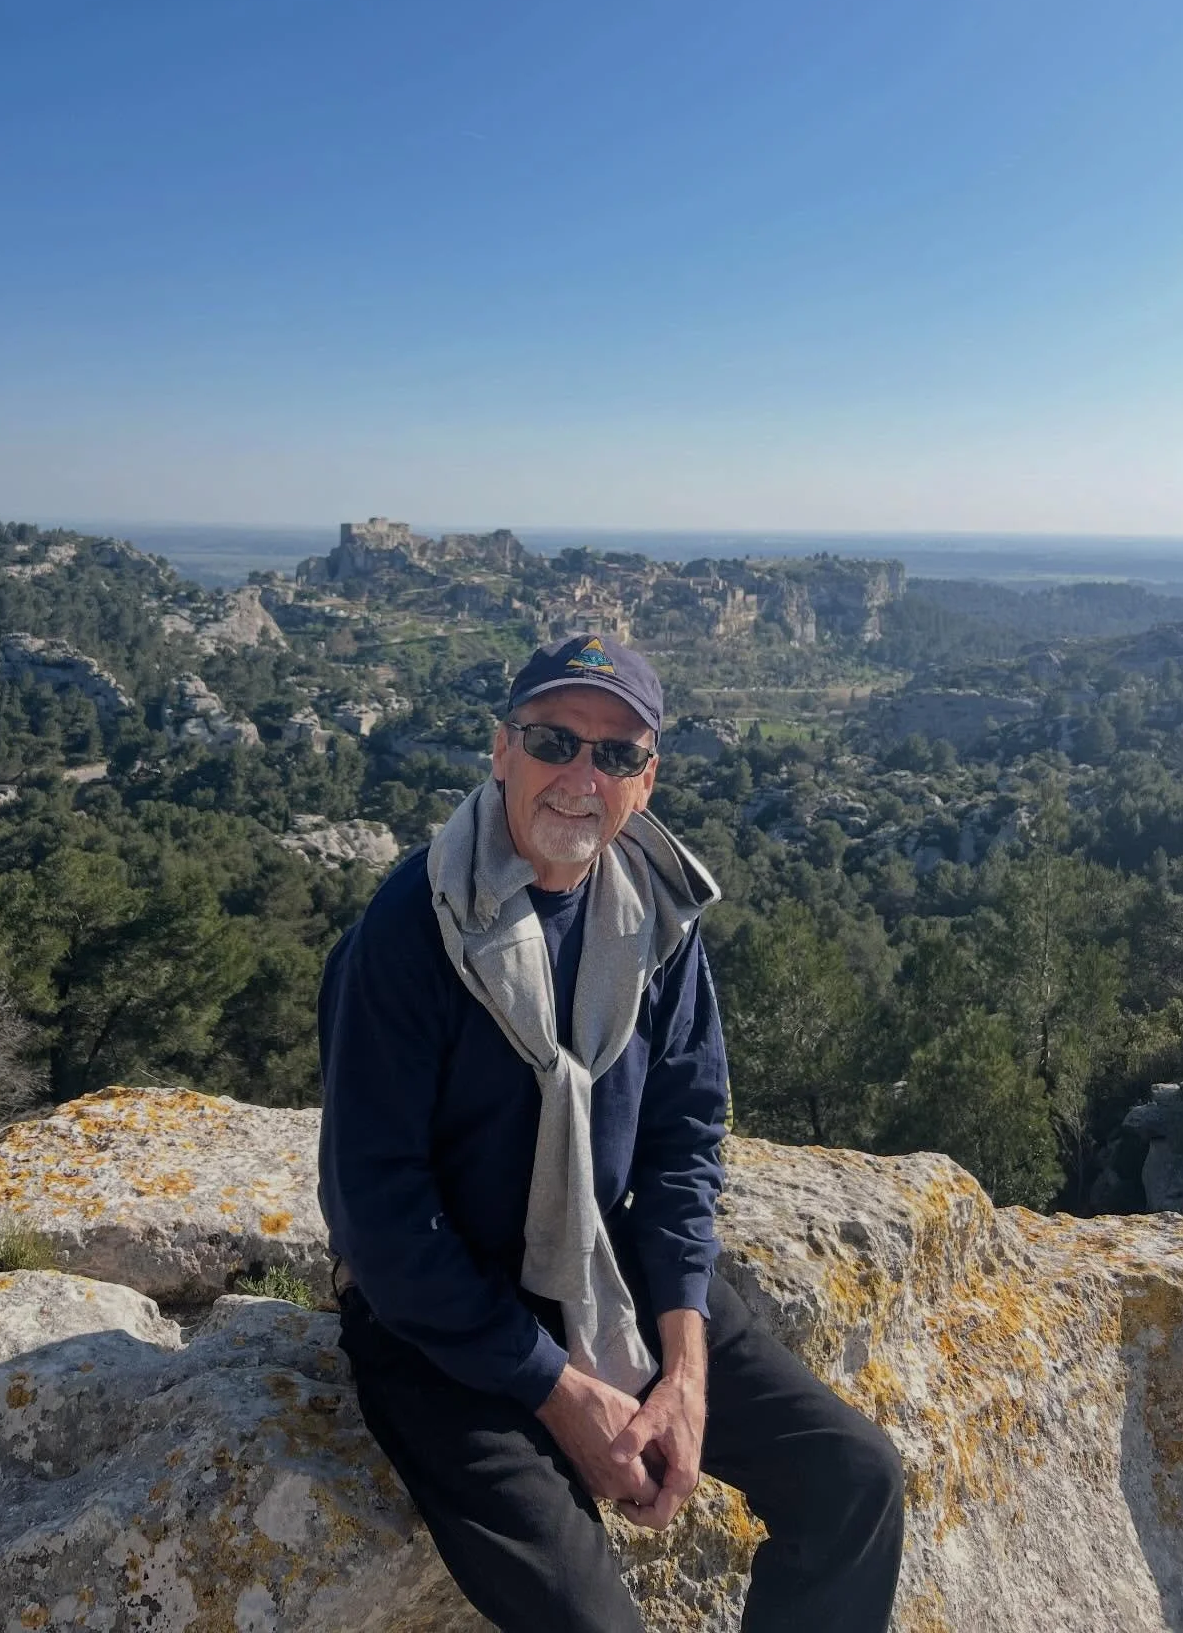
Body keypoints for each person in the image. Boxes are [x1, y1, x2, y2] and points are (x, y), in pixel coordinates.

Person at [318, 634, 904, 1632]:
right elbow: (379, 1220)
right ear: (503, 749)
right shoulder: (412, 929)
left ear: (647, 778)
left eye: (616, 754)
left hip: (603, 1270)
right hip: (438, 1321)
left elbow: (681, 1149)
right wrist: (561, 1396)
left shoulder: (655, 921)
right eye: (554, 740)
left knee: (856, 1481)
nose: (580, 776)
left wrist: (682, 1376)